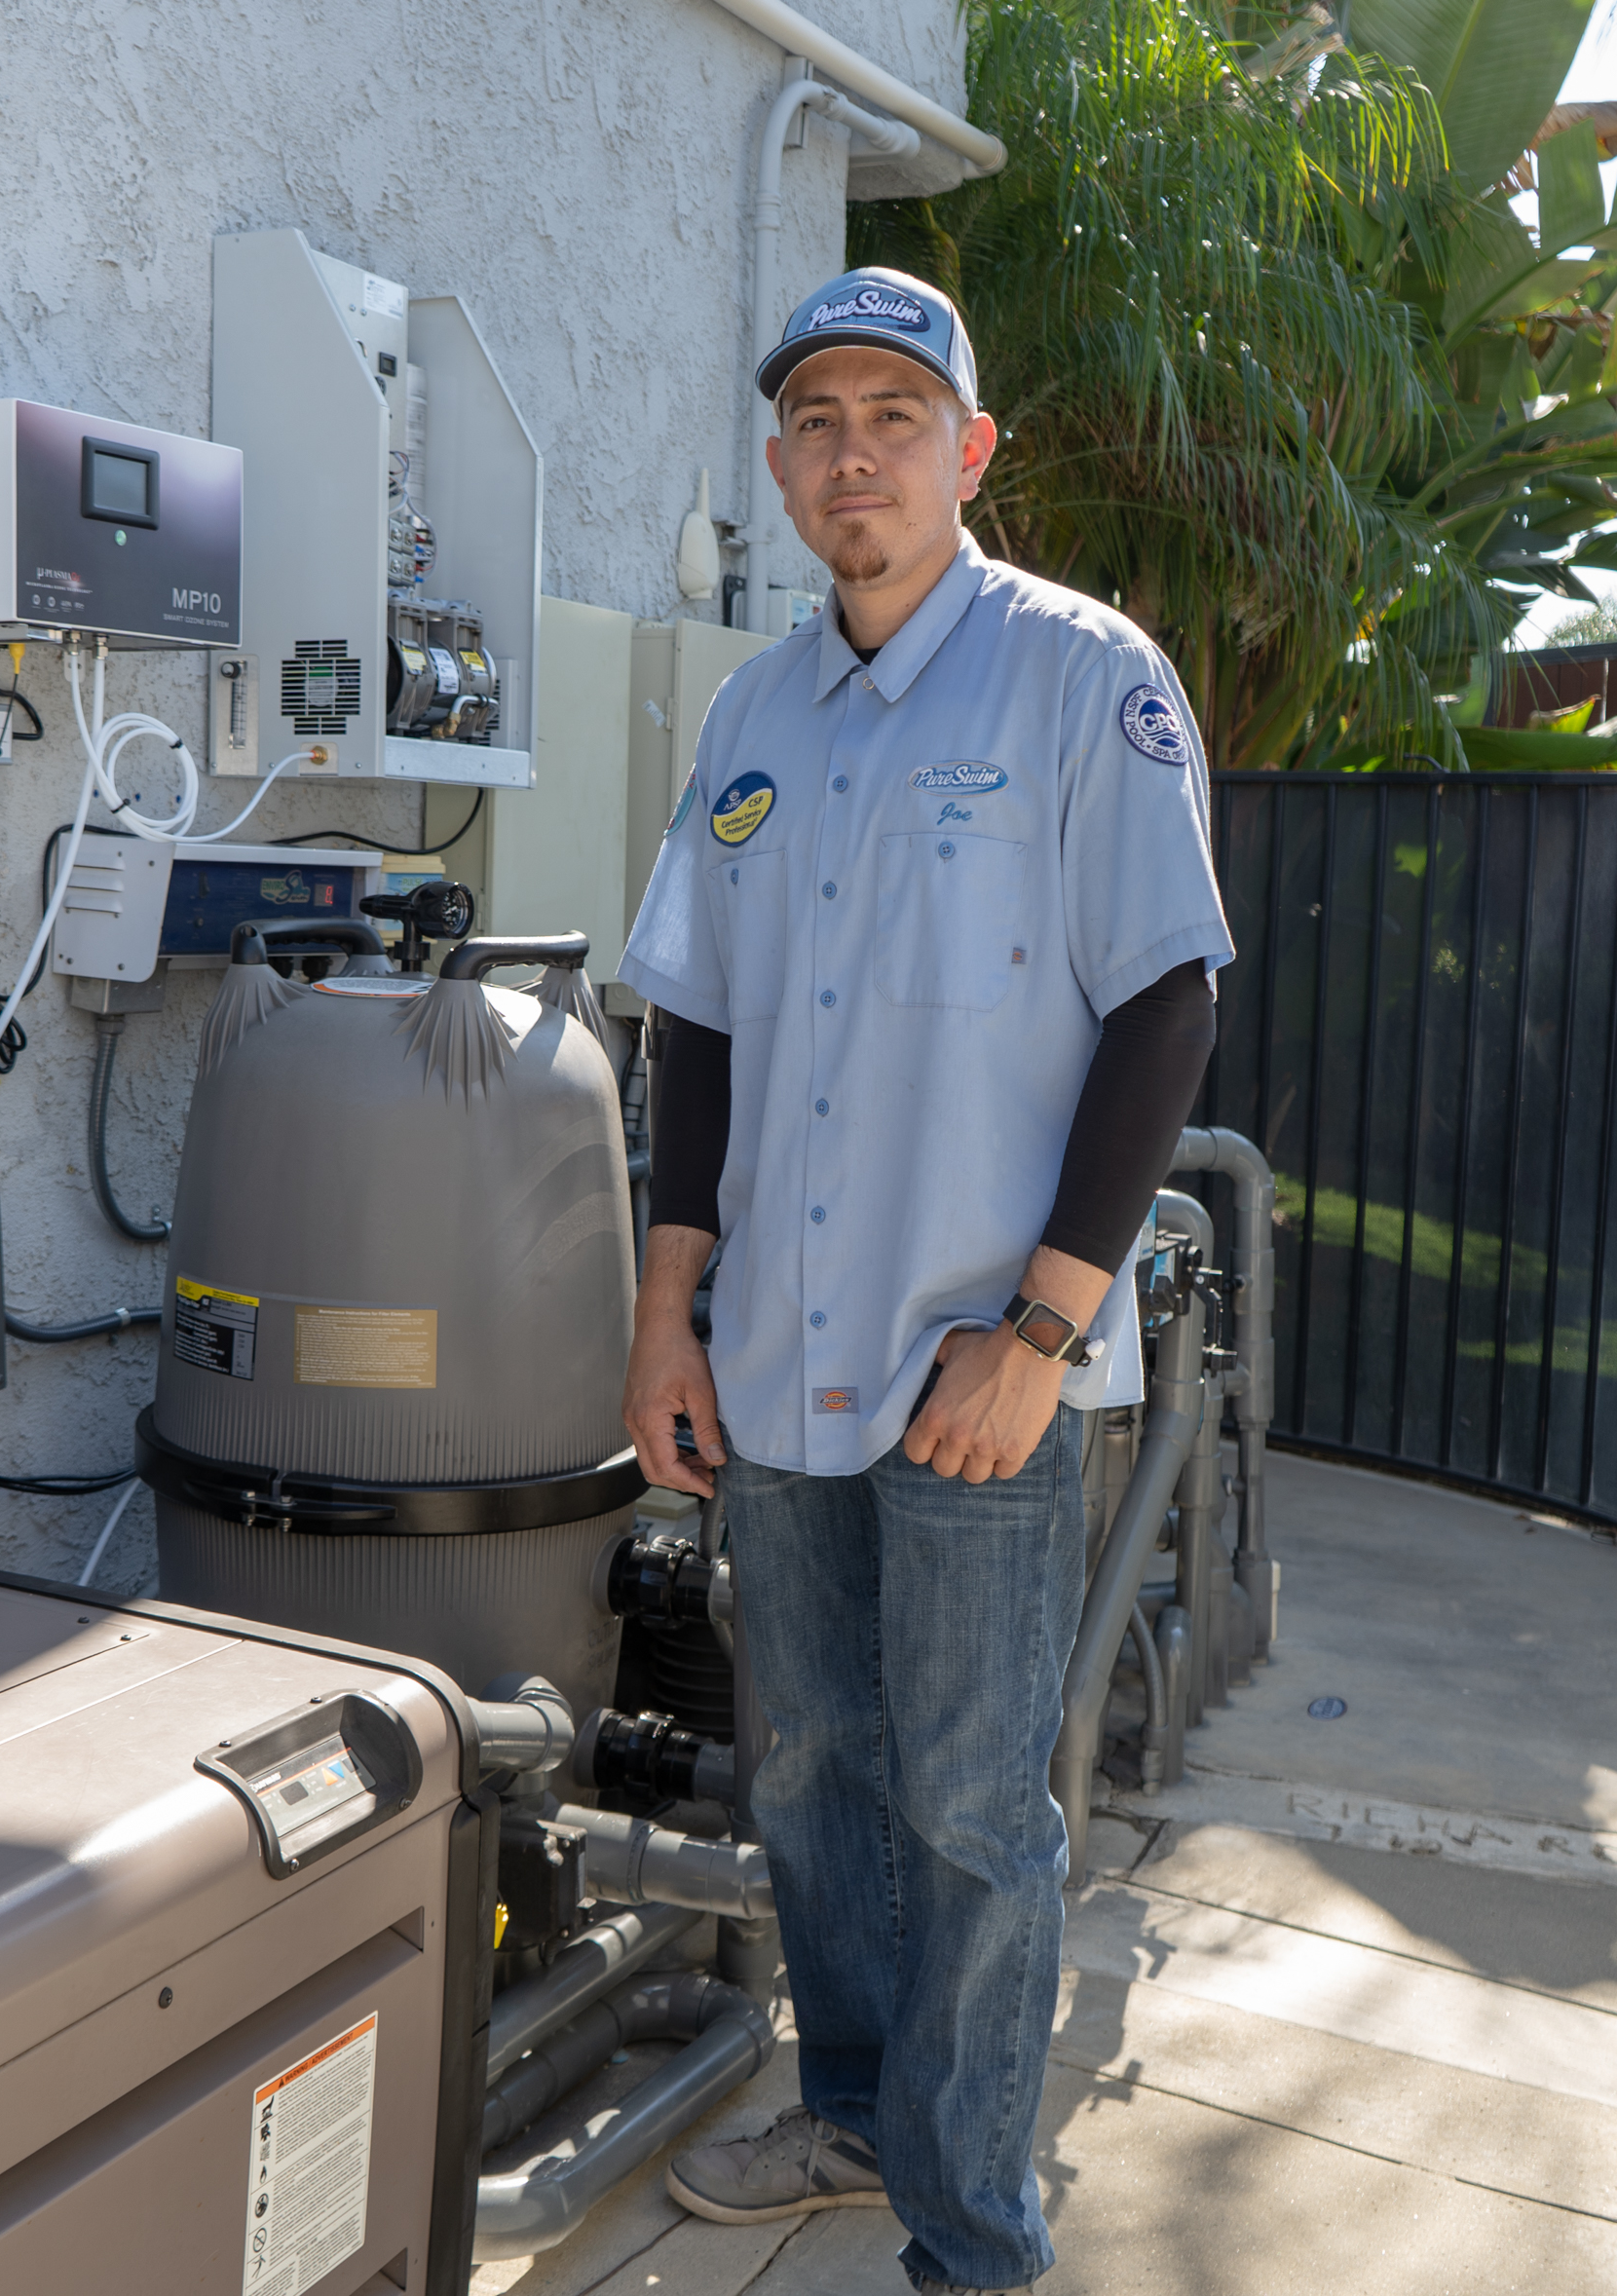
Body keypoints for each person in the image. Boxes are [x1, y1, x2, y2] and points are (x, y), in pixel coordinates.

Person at [614, 267, 1230, 2295]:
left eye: (895, 415)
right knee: (810, 1770)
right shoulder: (751, 714)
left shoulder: (1081, 679)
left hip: (977, 1364)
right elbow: (697, 1027)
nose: (852, 452)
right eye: (818, 420)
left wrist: (1043, 1327)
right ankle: (860, 2112)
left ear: (968, 452)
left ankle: (973, 2237)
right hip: (775, 1358)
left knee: (972, 1806)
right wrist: (665, 1310)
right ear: (779, 465)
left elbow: (1165, 1007)